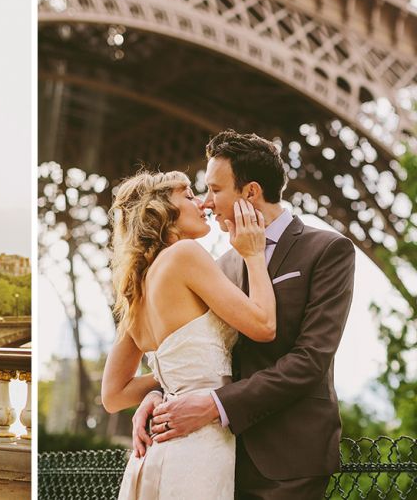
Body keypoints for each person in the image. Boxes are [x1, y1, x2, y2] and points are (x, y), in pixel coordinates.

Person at [134, 131, 356, 499]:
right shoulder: (218, 266)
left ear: (250, 192)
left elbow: (310, 359)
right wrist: (158, 393)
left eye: (215, 190)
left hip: (289, 456)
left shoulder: (327, 250)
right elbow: (206, 350)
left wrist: (215, 405)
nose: (206, 203)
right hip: (218, 454)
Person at [102, 169, 276, 499]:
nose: (202, 203)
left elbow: (114, 395)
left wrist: (168, 386)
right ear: (162, 211)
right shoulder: (185, 255)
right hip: (199, 442)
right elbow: (265, 326)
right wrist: (254, 254)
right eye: (188, 195)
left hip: (161, 445)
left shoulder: (135, 288)